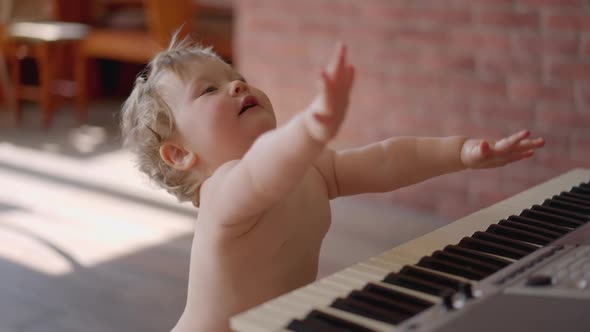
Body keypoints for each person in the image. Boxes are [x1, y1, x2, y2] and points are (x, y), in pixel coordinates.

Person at [120, 35, 545, 332]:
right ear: (180, 155)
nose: (237, 84)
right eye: (209, 89)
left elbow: (386, 160)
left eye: (235, 75)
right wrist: (313, 125)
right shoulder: (222, 193)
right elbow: (261, 175)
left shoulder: (311, 168)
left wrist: (460, 152)